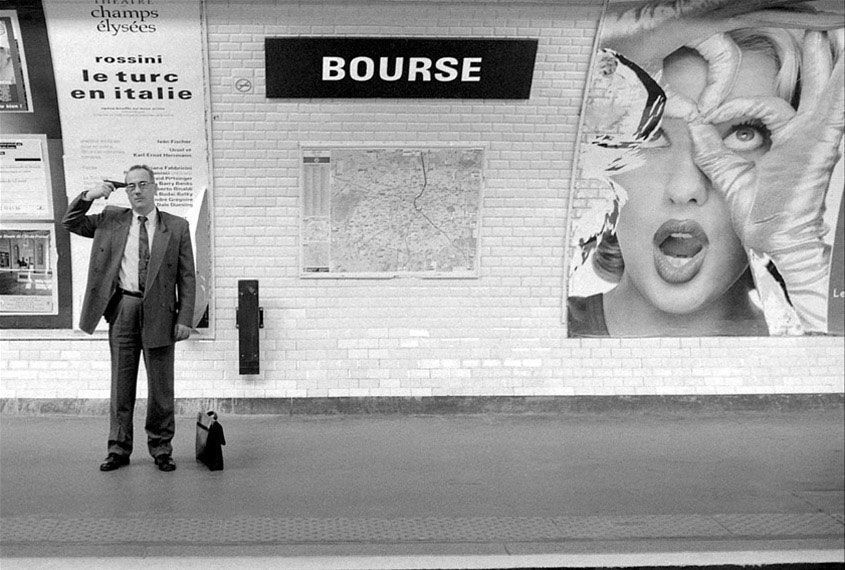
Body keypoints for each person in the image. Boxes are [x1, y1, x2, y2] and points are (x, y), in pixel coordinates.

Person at [568, 0, 844, 337]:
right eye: (650, 132)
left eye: (743, 135)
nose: (686, 188)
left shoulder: (809, 352)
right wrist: (584, 63)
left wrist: (801, 256)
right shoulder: (524, 330)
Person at [63, 165, 196, 472]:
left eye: (143, 184)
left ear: (155, 187)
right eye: (131, 185)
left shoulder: (177, 227)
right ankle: (118, 449)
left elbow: (187, 276)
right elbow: (70, 222)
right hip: (123, 308)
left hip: (161, 313)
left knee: (161, 388)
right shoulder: (111, 219)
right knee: (121, 385)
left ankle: (161, 448)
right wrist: (89, 196)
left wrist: (185, 317)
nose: (137, 190)